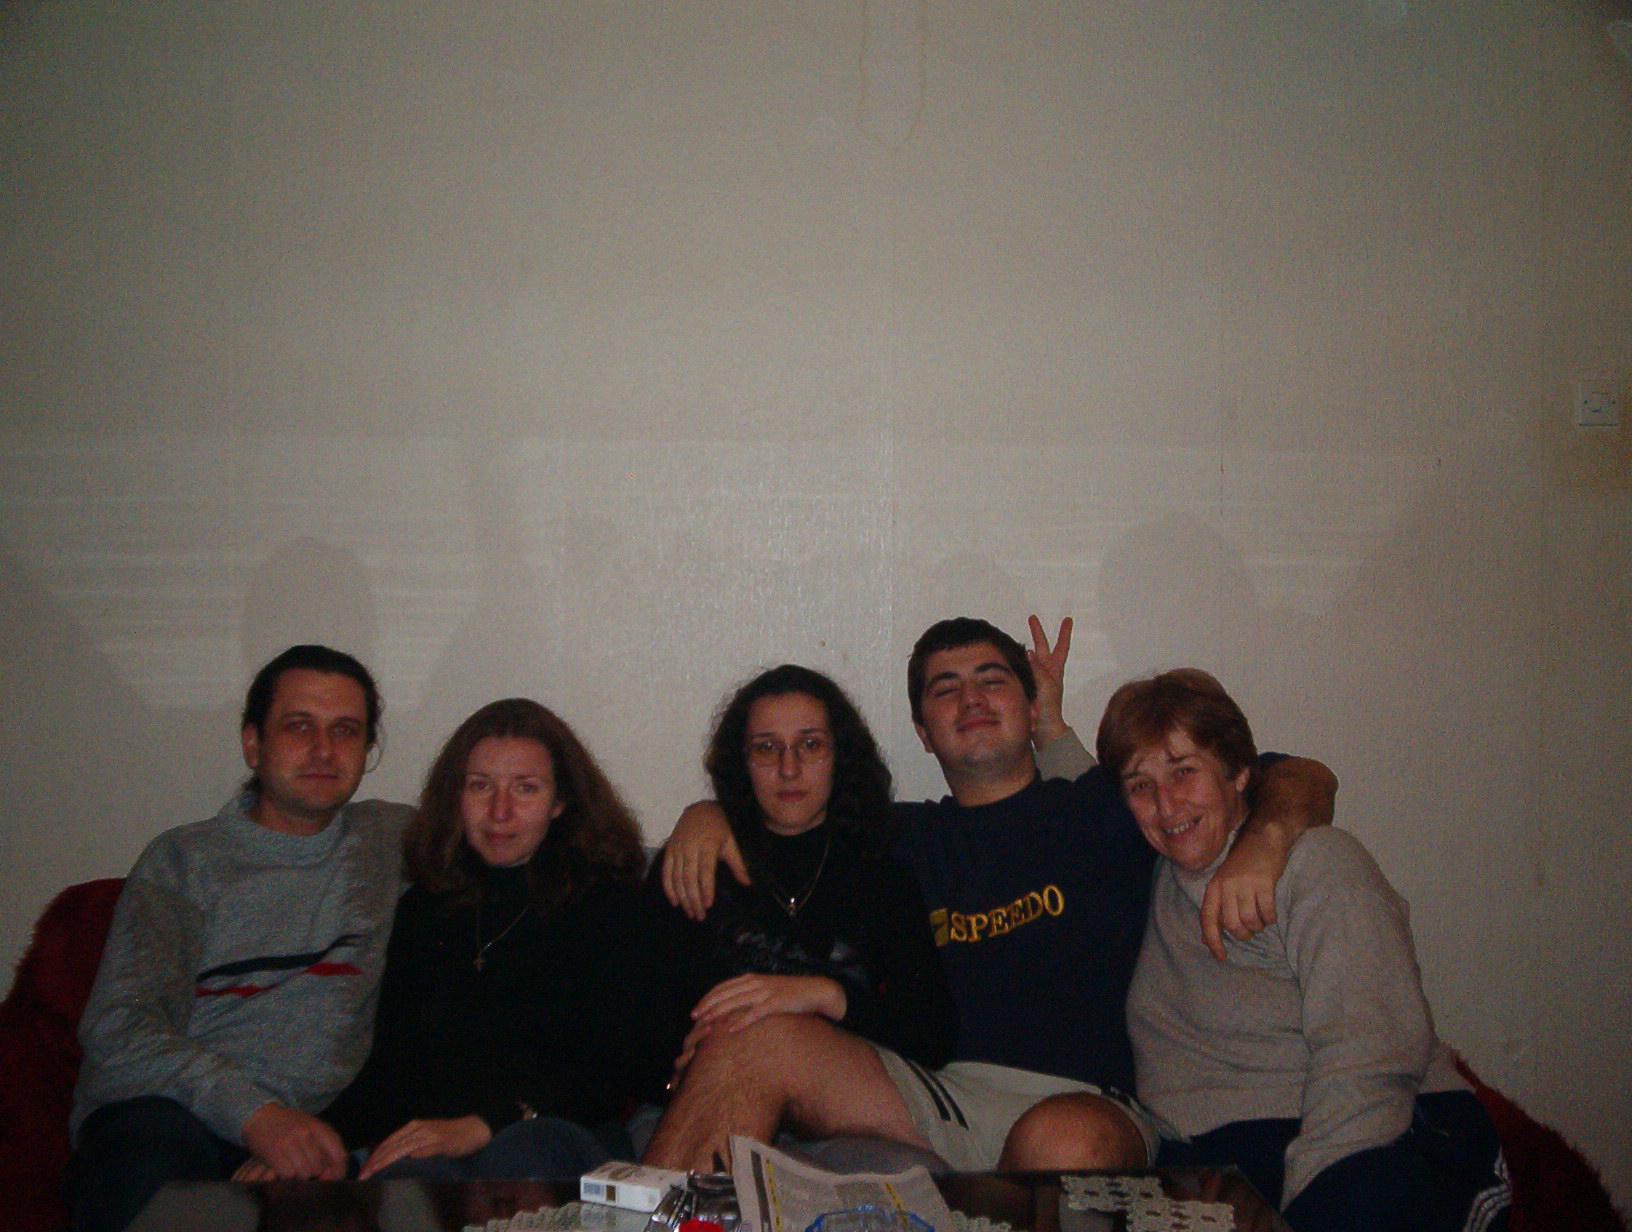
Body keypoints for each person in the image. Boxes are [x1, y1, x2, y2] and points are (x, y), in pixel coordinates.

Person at [647, 617, 1337, 1173]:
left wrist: (1266, 841)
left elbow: (1302, 776)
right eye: (945, 689)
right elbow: (784, 809)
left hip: (1082, 1102)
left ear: (1031, 706)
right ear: (923, 732)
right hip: (930, 1092)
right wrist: (704, 817)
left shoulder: (1108, 806)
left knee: (1063, 1141)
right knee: (753, 1039)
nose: (971, 699)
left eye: (992, 680)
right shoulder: (894, 837)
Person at [1099, 668, 1510, 1232]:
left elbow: (1372, 1053)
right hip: (1214, 1157)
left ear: (1240, 773)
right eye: (1141, 786)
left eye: (1184, 771)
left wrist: (1310, 1195)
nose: (1166, 805)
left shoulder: (1316, 864)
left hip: (1364, 1133)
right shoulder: (1150, 874)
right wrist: (1048, 726)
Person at [69, 645, 410, 1232]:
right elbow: (118, 1028)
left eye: (346, 730)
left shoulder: (392, 841)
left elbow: (513, 828)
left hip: (318, 1135)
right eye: (299, 726)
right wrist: (257, 1118)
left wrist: (302, 1136)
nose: (324, 750)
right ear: (253, 744)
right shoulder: (184, 861)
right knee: (148, 1168)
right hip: (174, 1118)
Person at [314, 698, 659, 1179]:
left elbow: (608, 1072)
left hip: (558, 1133)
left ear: (560, 802)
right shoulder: (424, 909)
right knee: (409, 1178)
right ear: (455, 796)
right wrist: (313, 1140)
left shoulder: (609, 904)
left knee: (520, 1159)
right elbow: (393, 1070)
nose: (500, 812)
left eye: (525, 788)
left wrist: (486, 1124)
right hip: (440, 1143)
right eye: (480, 786)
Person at [642, 666, 957, 1158]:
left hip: (844, 1112)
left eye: (810, 745)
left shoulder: (881, 876)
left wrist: (825, 995)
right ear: (742, 762)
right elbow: (635, 1027)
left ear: (839, 757)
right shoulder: (695, 864)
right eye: (766, 748)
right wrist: (673, 1077)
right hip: (704, 1103)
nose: (789, 769)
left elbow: (933, 1036)